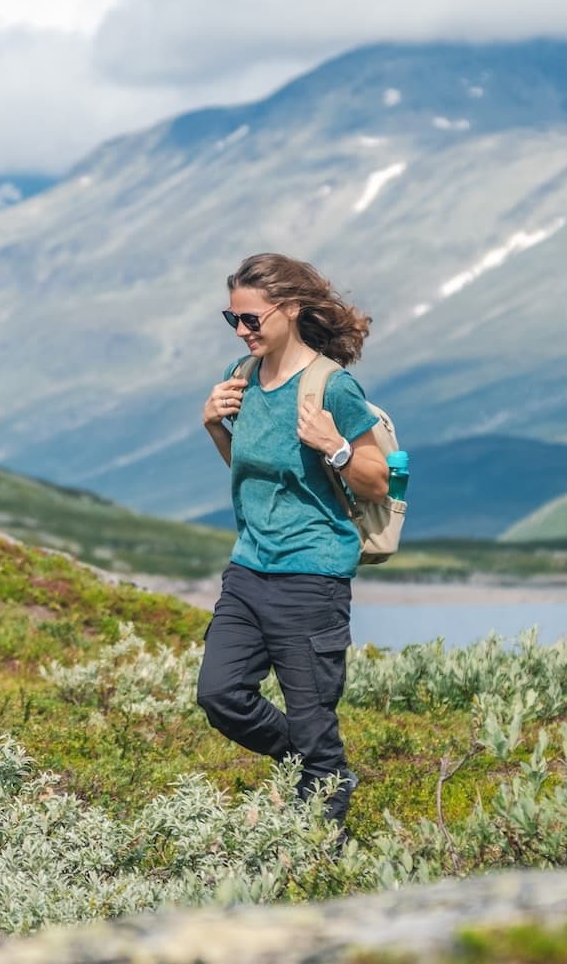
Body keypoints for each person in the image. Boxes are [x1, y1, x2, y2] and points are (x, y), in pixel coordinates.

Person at [196, 252, 389, 829]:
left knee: (311, 720)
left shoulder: (332, 386)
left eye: (252, 319)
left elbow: (376, 481)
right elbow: (250, 470)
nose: (242, 330)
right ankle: (321, 770)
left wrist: (335, 446)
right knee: (220, 695)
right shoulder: (242, 378)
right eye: (233, 319)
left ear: (291, 310)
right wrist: (213, 425)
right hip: (248, 570)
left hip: (312, 577)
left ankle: (321, 854)